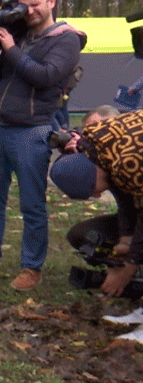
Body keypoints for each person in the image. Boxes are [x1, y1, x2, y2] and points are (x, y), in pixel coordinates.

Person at [0, 0, 86, 290]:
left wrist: (11, 50)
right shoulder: (18, 34)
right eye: (24, 5)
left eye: (35, 4)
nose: (29, 11)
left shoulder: (66, 39)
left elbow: (45, 77)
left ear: (51, 2)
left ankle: (32, 267)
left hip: (33, 130)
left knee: (31, 203)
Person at [49, 109, 143, 344]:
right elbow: (127, 195)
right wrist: (126, 241)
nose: (99, 194)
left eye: (94, 190)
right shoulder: (102, 146)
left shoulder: (128, 159)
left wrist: (128, 269)